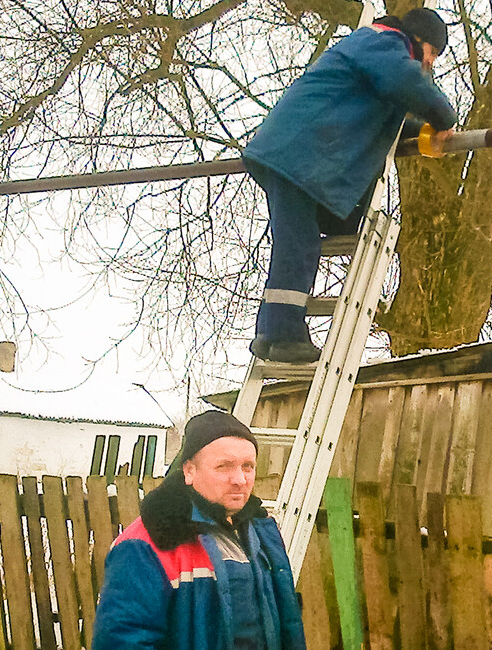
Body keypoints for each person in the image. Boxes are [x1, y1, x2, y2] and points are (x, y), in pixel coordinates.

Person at [242, 8, 458, 364]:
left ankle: (271, 333)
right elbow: (403, 82)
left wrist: (420, 132)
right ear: (419, 42)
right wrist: (443, 118)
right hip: (300, 155)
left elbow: (381, 117)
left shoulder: (371, 51)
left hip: (297, 153)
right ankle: (282, 334)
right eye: (432, 55)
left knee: (297, 242)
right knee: (298, 245)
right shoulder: (386, 42)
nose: (429, 65)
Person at [93, 410, 307, 649]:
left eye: (248, 466)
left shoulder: (262, 533)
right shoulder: (145, 545)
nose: (240, 479)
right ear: (189, 471)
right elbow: (122, 642)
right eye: (224, 466)